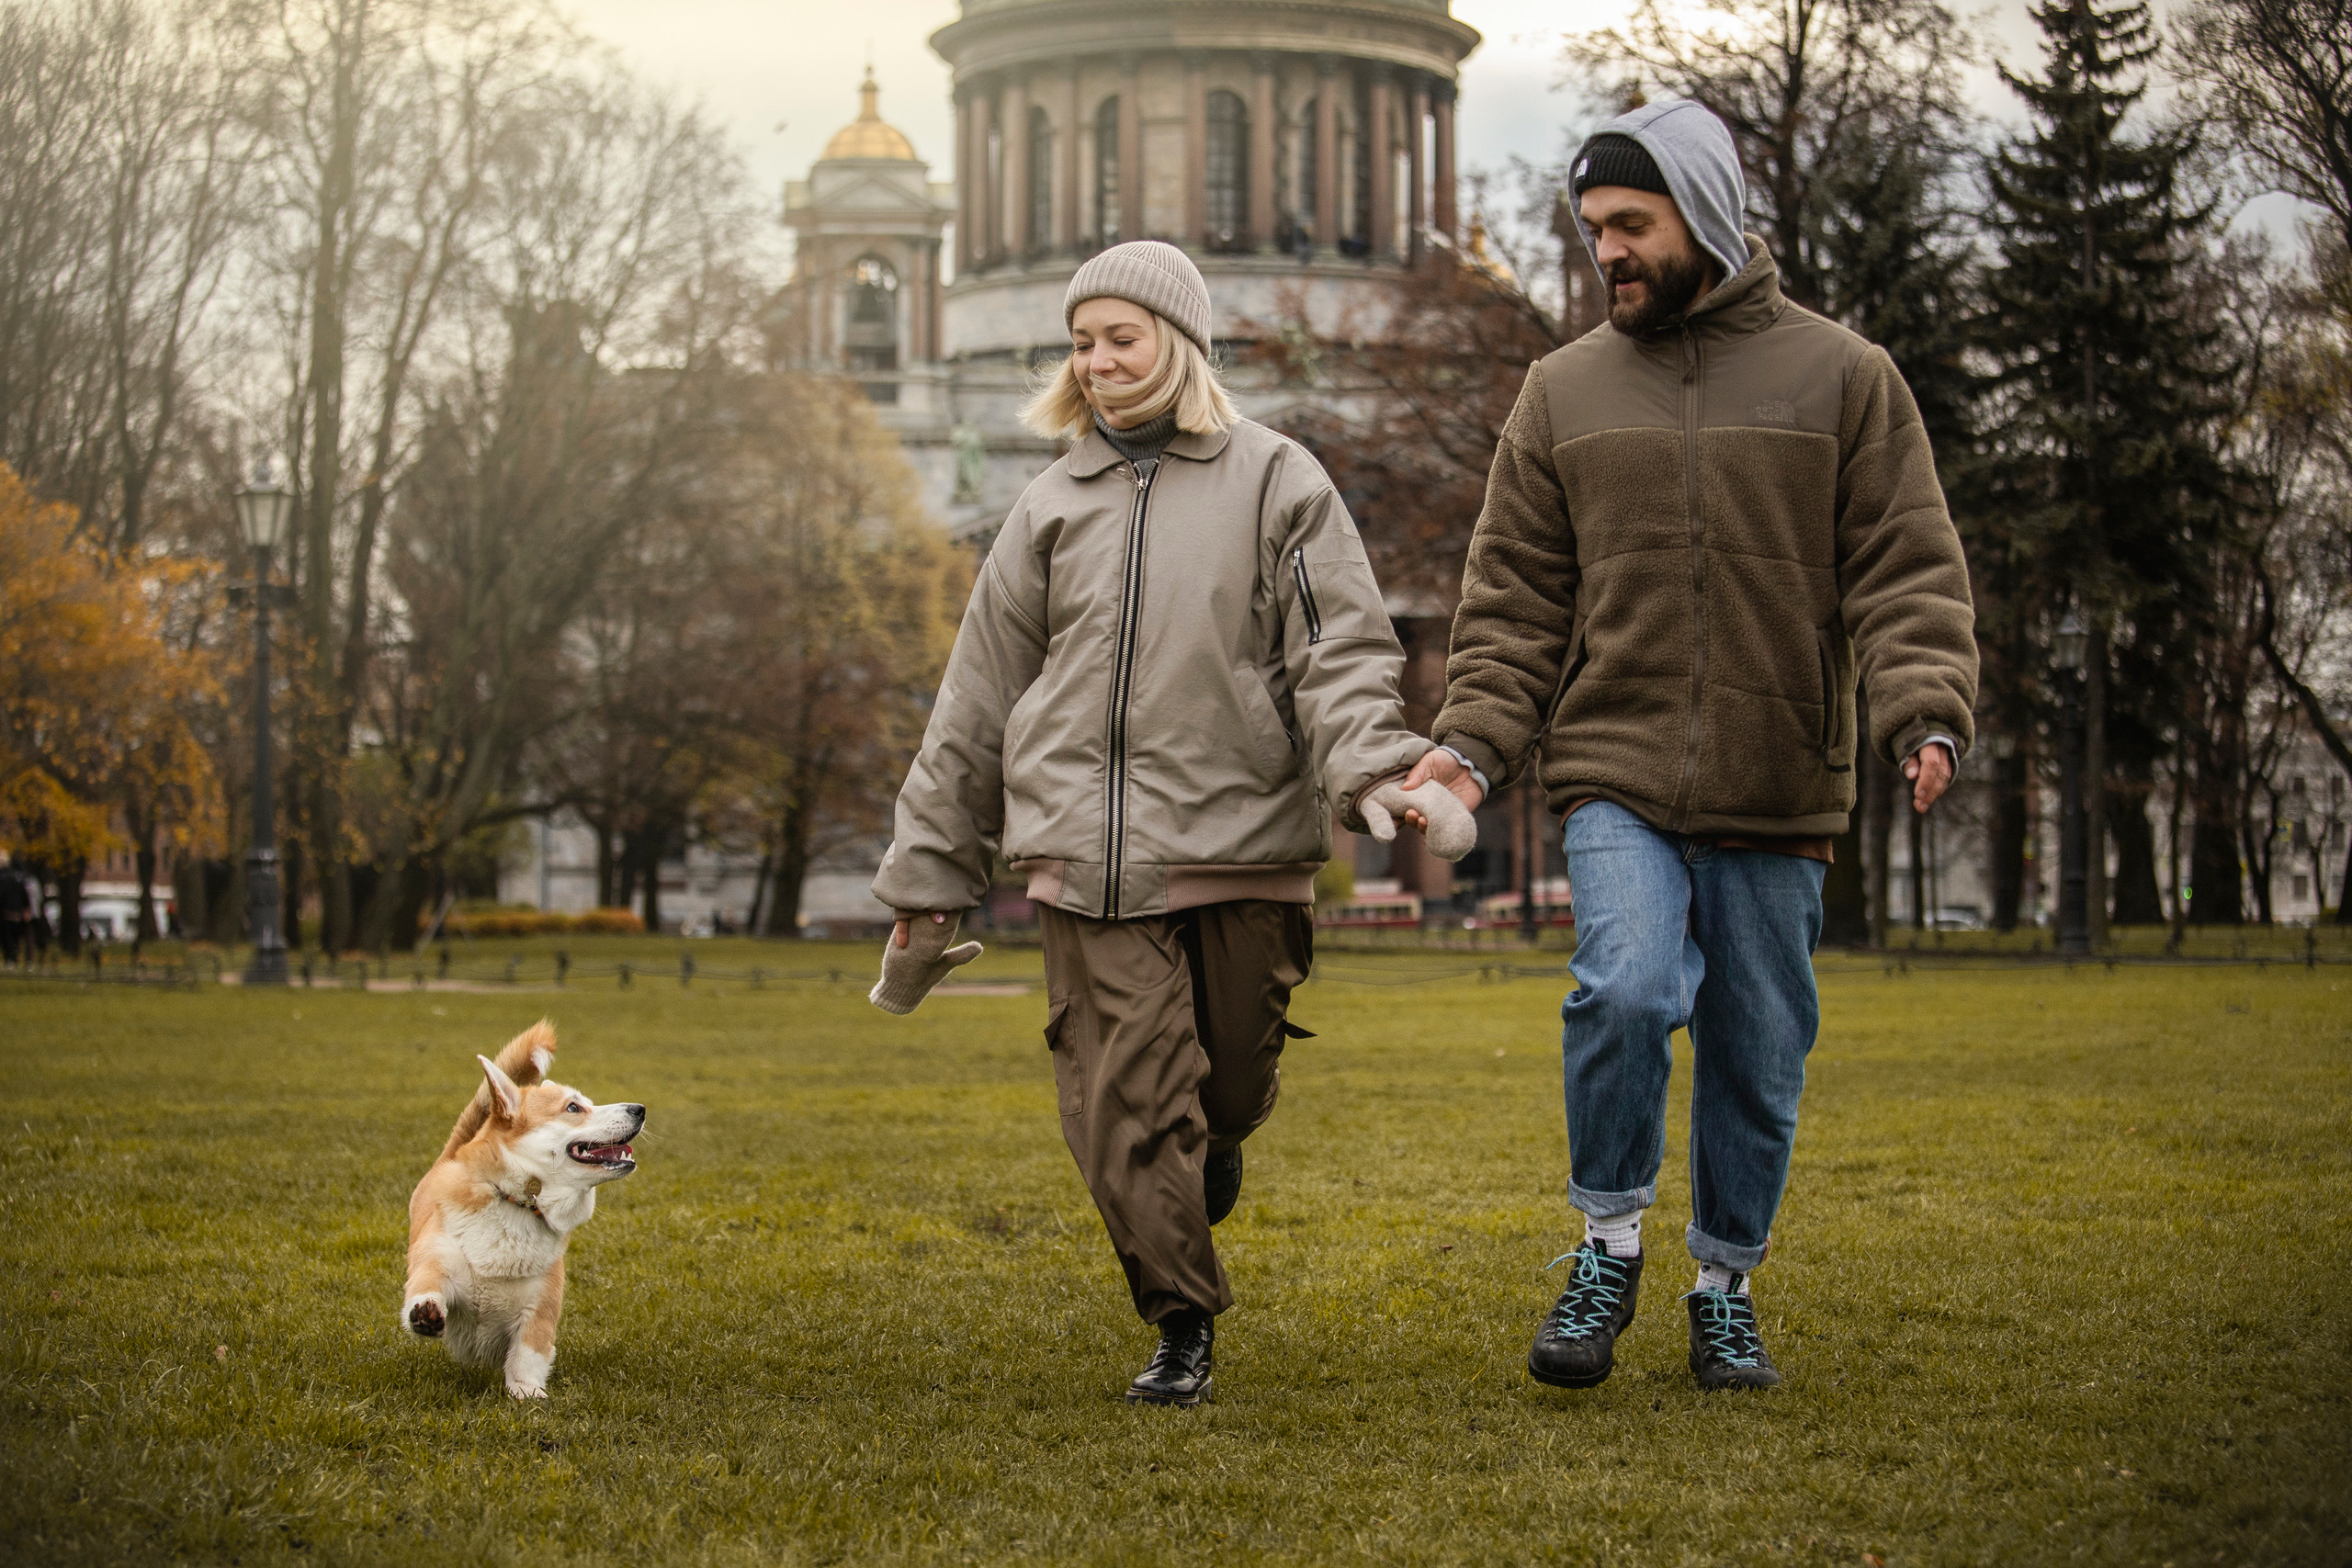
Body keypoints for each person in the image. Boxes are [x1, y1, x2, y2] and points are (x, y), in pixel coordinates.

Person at [1406, 100, 1978, 1393]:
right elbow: (1511, 605)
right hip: (1616, 767)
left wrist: (1923, 703)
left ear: (1704, 216)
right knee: (1621, 982)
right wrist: (1470, 748)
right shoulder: (1562, 391)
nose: (1605, 249)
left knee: (1760, 1043)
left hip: (1780, 777)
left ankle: (1724, 1282)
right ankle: (1608, 1241)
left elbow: (1907, 567)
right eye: (1593, 227)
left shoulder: (1845, 376)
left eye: (1630, 223)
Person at [868, 241, 1476, 1407]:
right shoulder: (1047, 503)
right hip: (1081, 860)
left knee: (1226, 1087)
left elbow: (1338, 652)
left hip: (1239, 843)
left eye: (1119, 339)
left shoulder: (1278, 480)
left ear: (1178, 342)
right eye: (1081, 343)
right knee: (1130, 1102)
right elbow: (976, 697)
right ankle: (1181, 1323)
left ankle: (1223, 1134)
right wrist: (930, 872)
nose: (1095, 363)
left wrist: (1371, 768)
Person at [0, 852, 32, 968]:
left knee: (6, 938)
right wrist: (26, 909)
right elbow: (24, 895)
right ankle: (16, 958)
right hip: (17, 913)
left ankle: (10, 959)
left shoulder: (2, 878)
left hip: (4, 913)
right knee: (16, 938)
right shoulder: (17, 877)